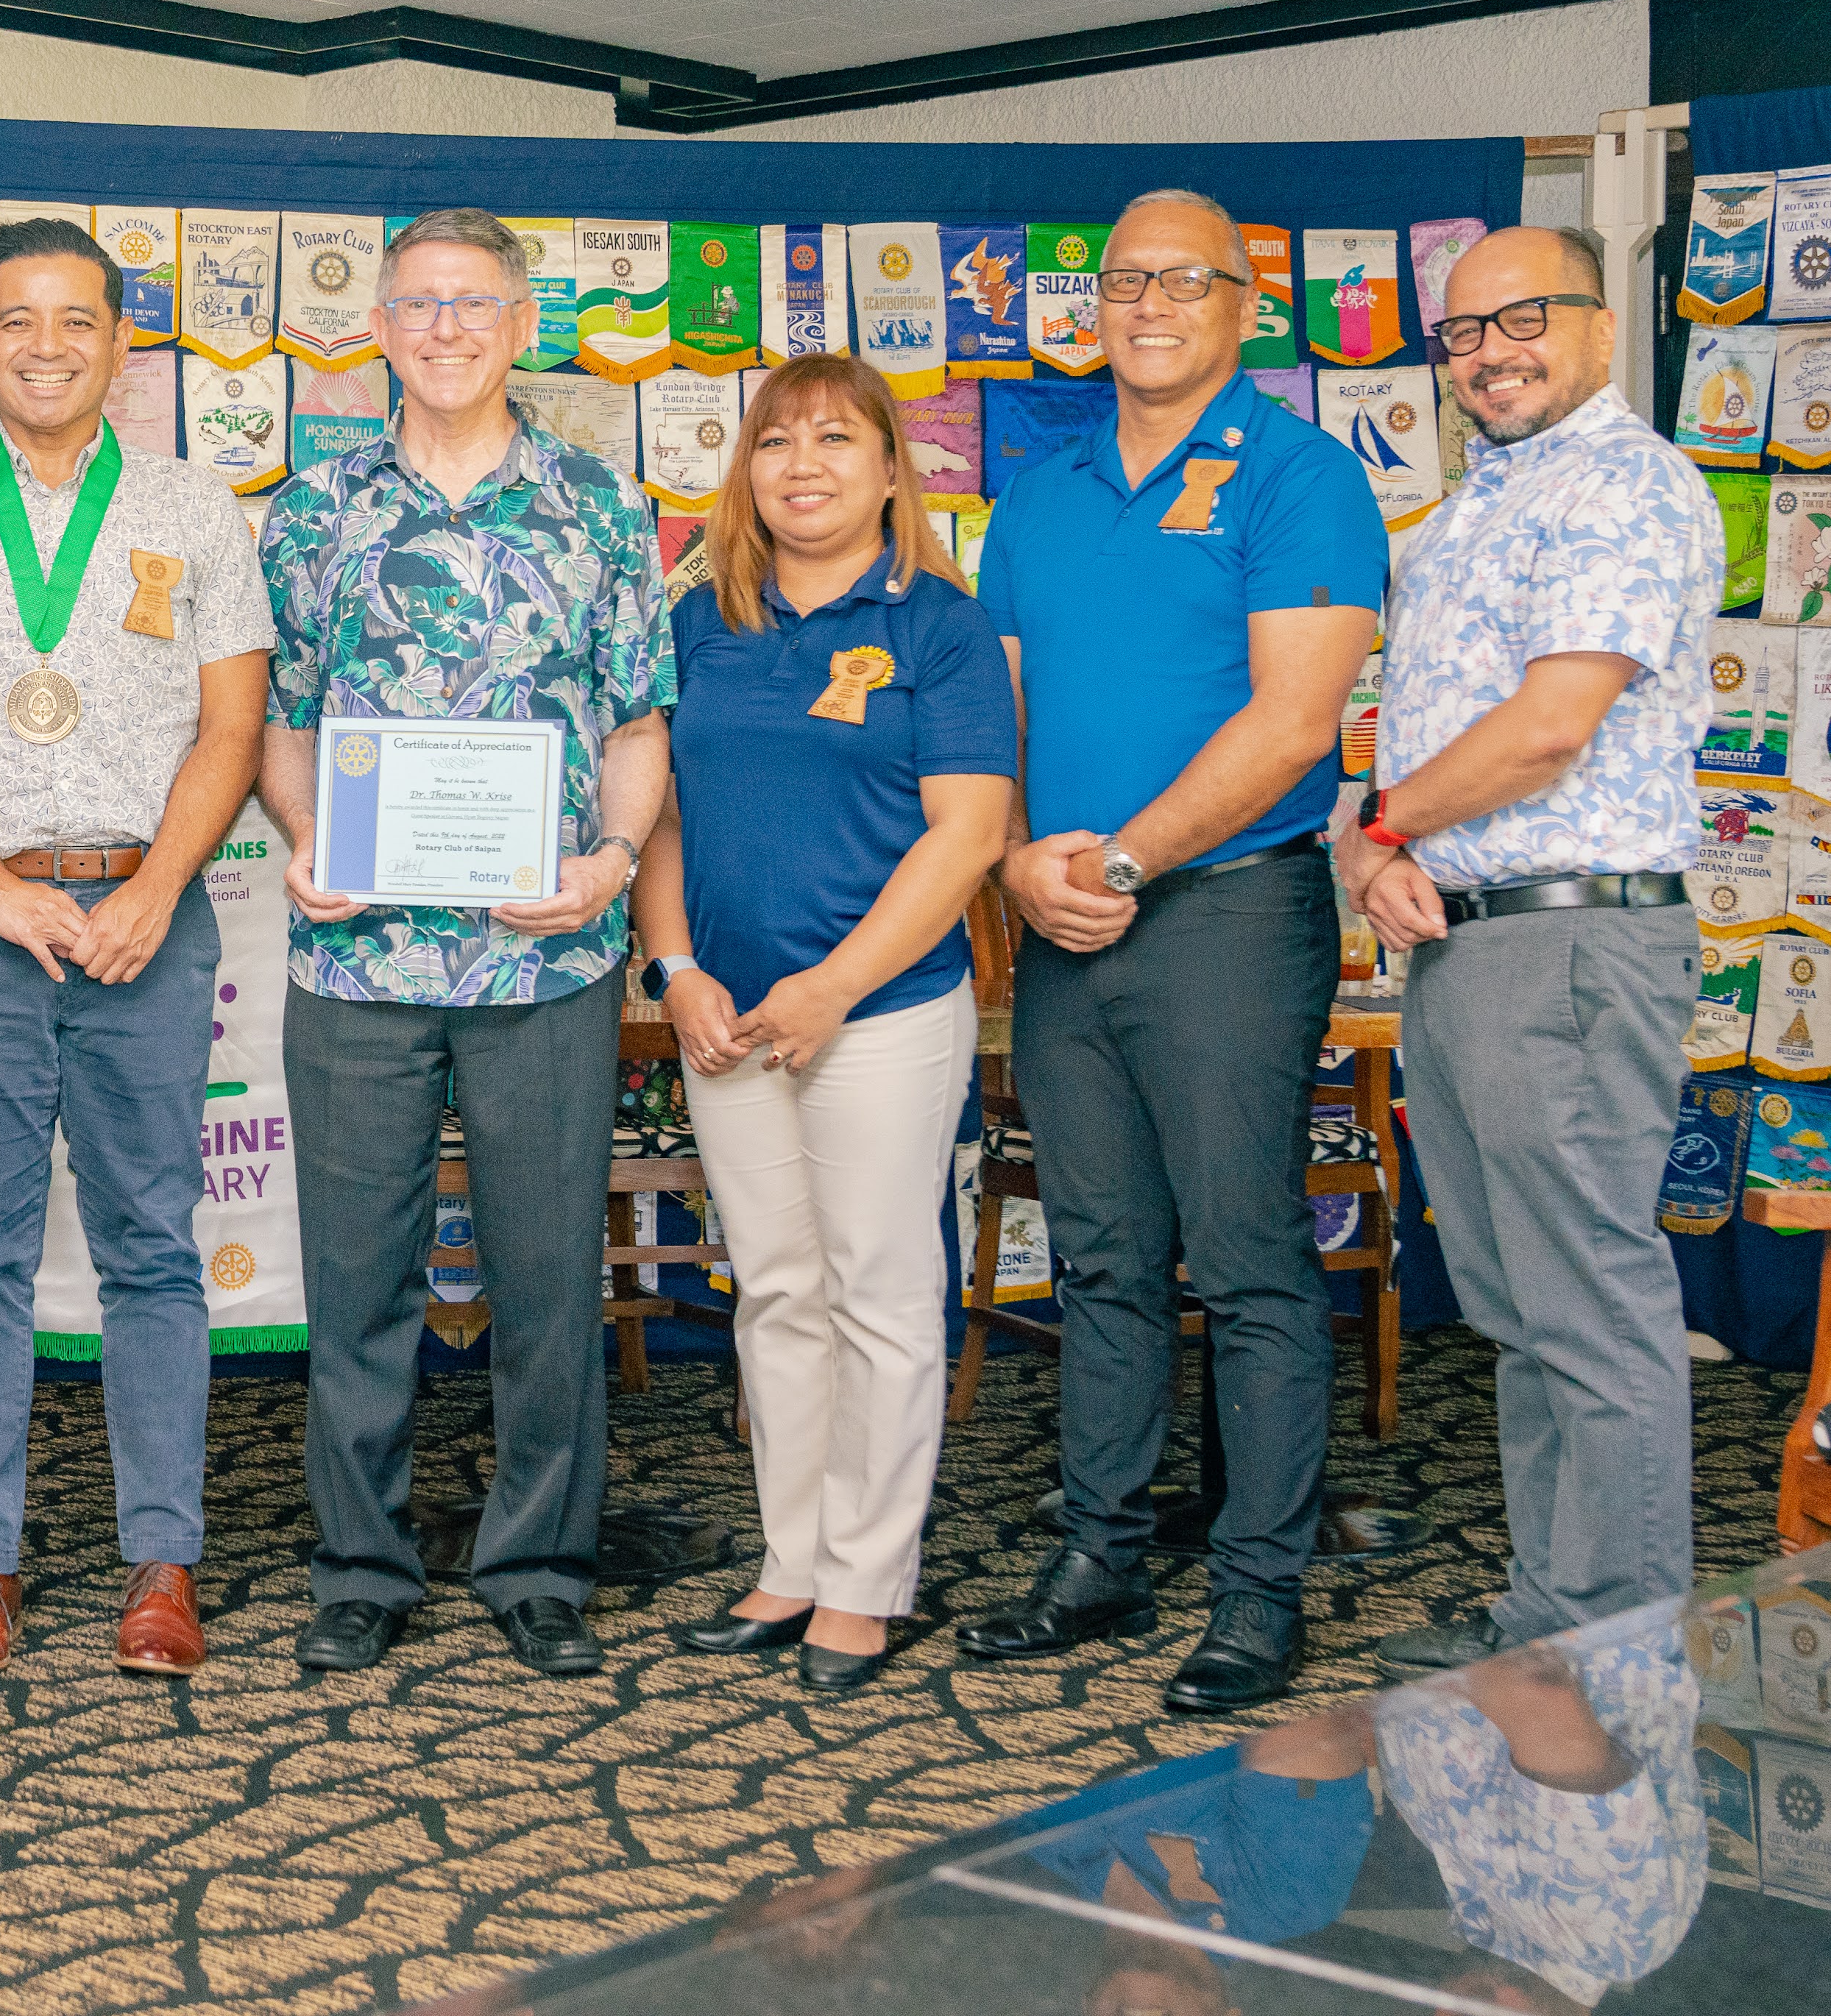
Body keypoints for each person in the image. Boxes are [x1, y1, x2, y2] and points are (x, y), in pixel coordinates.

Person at [955, 187, 1387, 1715]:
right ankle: (1101, 1553)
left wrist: (1125, 856)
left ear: (1243, 303)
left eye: (1178, 280)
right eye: (1120, 278)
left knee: (1251, 1260)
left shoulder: (1301, 477)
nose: (1143, 303)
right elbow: (990, 718)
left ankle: (1259, 1590)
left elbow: (1290, 725)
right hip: (1063, 921)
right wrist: (1012, 859)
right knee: (1102, 1261)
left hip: (1225, 916)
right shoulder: (1041, 494)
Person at [0, 216, 271, 1680]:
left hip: (149, 912)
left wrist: (157, 881)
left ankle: (163, 1565)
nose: (44, 346)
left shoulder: (199, 506)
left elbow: (231, 727)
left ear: (119, 344)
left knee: (154, 1249)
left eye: (75, 321)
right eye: (15, 319)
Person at [257, 206, 673, 1680]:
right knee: (356, 1278)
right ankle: (360, 1562)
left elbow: (635, 722)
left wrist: (610, 863)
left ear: (520, 322)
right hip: (359, 964)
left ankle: (540, 1559)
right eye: (418, 304)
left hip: (540, 958)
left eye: (472, 302)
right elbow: (283, 718)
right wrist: (306, 846)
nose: (443, 328)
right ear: (377, 326)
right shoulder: (313, 511)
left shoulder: (598, 509)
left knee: (546, 1270)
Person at [1336, 228, 1716, 1674]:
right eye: (1460, 334)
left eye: (1520, 319)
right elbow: (1430, 739)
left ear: (1600, 322)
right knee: (1516, 1304)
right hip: (1473, 948)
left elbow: (1554, 722)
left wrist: (1382, 823)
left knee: (1585, 1300)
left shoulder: (1623, 481)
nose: (1488, 352)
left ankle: (1611, 1640)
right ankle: (1548, 1619)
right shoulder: (1478, 507)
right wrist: (1373, 850)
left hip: (1567, 941)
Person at [633, 355, 1012, 1694]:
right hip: (725, 1018)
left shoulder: (940, 628)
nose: (802, 464)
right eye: (776, 441)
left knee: (880, 1295)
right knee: (776, 1293)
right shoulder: (698, 623)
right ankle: (790, 1561)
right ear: (744, 471)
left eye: (836, 440)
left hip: (881, 1013)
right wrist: (674, 968)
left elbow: (967, 833)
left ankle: (867, 1579)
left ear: (893, 469)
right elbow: (659, 812)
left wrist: (837, 984)